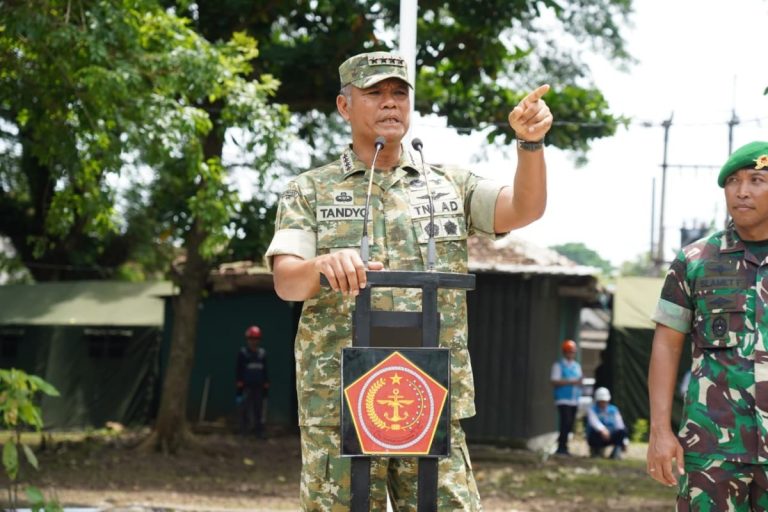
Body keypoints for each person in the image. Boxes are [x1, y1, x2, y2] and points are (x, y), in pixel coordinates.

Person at [265, 50, 552, 510]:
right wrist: (321, 266)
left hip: (428, 394)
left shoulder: (448, 186)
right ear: (344, 106)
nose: (390, 103)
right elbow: (287, 282)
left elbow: (524, 208)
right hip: (339, 399)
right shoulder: (310, 189)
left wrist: (531, 145)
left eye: (399, 93)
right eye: (375, 93)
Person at [647, 141, 768, 510]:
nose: (742, 191)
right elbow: (666, 346)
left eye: (757, 180)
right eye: (733, 181)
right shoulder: (695, 260)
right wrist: (659, 431)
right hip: (712, 450)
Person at [235, 325, 270, 438]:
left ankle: (259, 432)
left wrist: (266, 383)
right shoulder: (243, 353)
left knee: (259, 410)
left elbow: (265, 369)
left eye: (255, 339)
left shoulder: (262, 353)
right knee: (244, 409)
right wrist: (239, 384)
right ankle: (243, 431)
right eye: (251, 339)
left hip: (259, 386)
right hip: (246, 386)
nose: (253, 342)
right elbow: (239, 369)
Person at [550, 339, 583, 456]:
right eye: (569, 352)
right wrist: (571, 381)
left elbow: (579, 380)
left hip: (574, 399)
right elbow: (554, 381)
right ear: (564, 352)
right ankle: (561, 447)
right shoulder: (559, 365)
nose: (571, 354)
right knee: (565, 421)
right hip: (563, 399)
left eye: (573, 352)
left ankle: (564, 446)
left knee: (570, 424)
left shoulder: (576, 366)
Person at [585, 387, 628, 459]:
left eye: (605, 401)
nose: (603, 403)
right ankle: (596, 452)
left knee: (622, 431)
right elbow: (594, 422)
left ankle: (616, 453)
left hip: (610, 435)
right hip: (597, 436)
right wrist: (603, 430)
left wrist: (625, 441)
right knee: (594, 432)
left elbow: (620, 425)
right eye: (601, 401)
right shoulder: (592, 409)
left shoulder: (614, 409)